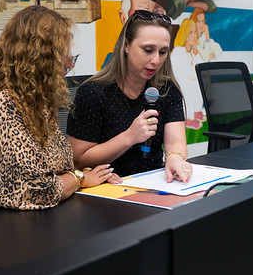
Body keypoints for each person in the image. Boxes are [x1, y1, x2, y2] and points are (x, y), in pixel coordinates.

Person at [0, 5, 114, 214]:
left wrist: (90, 176)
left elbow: (53, 168)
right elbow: (29, 191)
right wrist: (80, 179)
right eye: (64, 53)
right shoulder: (3, 103)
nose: (69, 62)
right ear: (41, 57)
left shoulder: (32, 99)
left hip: (30, 216)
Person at [66, 10, 192, 182]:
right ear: (126, 45)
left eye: (163, 52)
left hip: (154, 181)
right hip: (107, 186)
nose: (156, 60)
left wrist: (175, 158)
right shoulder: (93, 93)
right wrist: (129, 137)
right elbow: (78, 160)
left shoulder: (166, 90)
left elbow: (176, 141)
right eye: (148, 50)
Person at [170, 18, 206, 128]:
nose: (194, 36)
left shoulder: (191, 51)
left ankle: (196, 111)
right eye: (190, 32)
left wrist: (196, 51)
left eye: (195, 32)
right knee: (189, 88)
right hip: (179, 84)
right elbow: (181, 74)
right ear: (184, 34)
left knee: (199, 85)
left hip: (189, 80)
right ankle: (188, 117)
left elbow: (201, 67)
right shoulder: (179, 51)